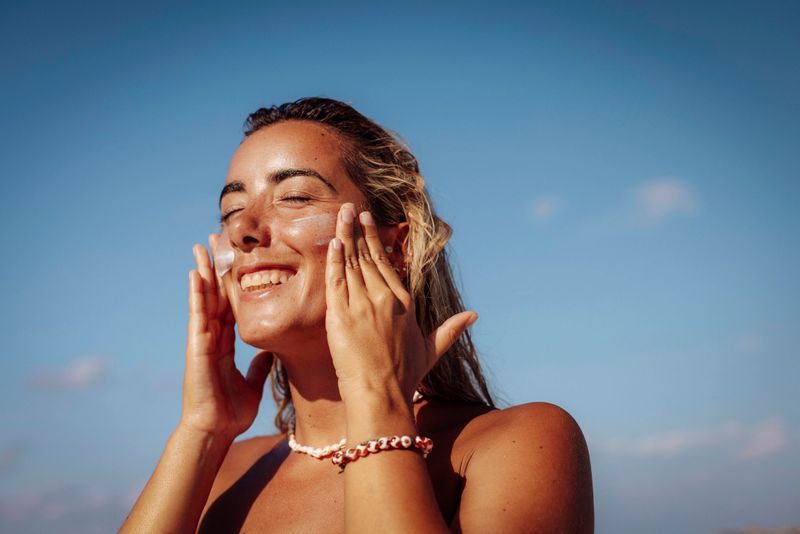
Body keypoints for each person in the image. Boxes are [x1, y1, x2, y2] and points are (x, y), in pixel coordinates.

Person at [120, 97, 594, 533]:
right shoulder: (223, 469)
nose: (243, 228)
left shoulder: (512, 445)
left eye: (295, 198)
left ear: (396, 245)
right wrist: (202, 431)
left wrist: (376, 398)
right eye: (231, 209)